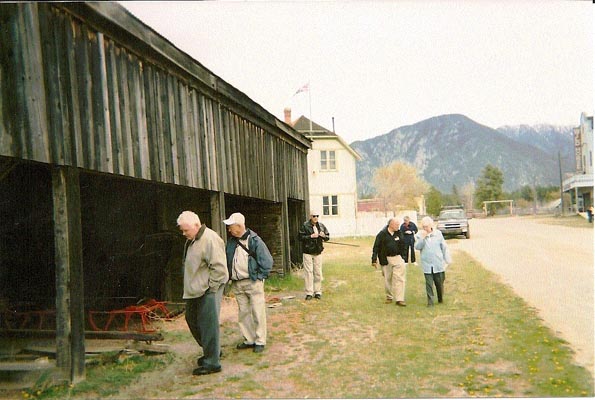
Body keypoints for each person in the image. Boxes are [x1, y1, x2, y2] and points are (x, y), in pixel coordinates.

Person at [177, 211, 228, 375]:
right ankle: (212, 351)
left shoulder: (209, 239)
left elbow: (220, 269)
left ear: (196, 225)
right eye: (182, 230)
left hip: (207, 291)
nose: (183, 234)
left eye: (186, 230)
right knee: (191, 319)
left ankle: (212, 362)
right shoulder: (193, 239)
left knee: (208, 326)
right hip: (195, 291)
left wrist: (211, 290)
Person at [224, 212, 273, 353]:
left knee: (258, 312)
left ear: (239, 226)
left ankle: (260, 340)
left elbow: (267, 261)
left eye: (230, 226)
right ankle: (249, 339)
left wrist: (259, 277)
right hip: (237, 283)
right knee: (243, 313)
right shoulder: (232, 241)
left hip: (252, 282)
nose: (228, 229)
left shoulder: (255, 241)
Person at [414, 216, 452, 307]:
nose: (425, 228)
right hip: (427, 263)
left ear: (431, 225)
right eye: (423, 227)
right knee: (429, 283)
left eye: (426, 226)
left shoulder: (438, 234)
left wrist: (447, 259)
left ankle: (440, 298)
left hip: (437, 262)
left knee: (439, 282)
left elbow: (444, 247)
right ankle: (430, 302)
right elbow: (417, 247)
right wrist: (423, 238)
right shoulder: (419, 235)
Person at [371, 217, 408, 306]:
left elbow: (404, 245)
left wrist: (403, 257)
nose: (398, 226)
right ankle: (389, 296)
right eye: (396, 224)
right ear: (390, 224)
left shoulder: (399, 233)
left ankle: (399, 299)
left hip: (397, 258)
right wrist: (374, 259)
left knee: (399, 278)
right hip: (386, 259)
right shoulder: (382, 234)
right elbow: (376, 247)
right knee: (388, 279)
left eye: (398, 225)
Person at [298, 211, 330, 300]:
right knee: (308, 272)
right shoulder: (305, 225)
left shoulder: (321, 226)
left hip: (318, 252)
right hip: (308, 252)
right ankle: (309, 293)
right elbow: (300, 237)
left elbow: (327, 237)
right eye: (314, 216)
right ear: (310, 216)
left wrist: (323, 236)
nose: (316, 217)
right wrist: (310, 236)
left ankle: (318, 292)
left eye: (317, 216)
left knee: (318, 272)